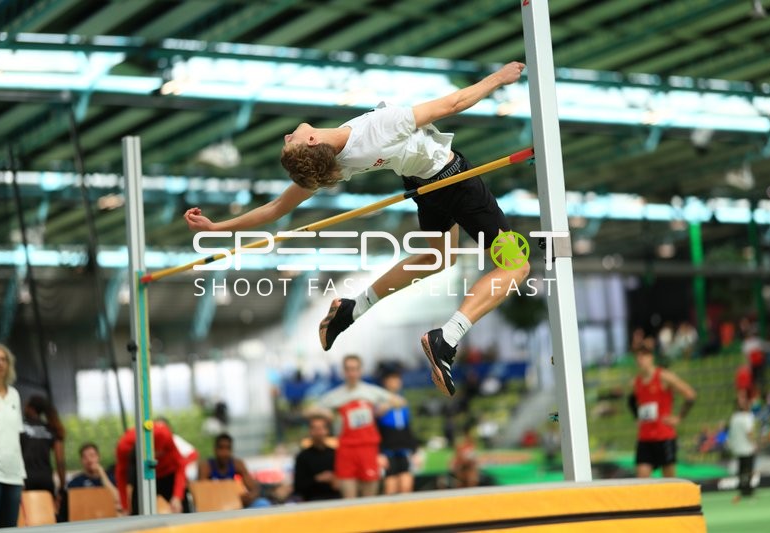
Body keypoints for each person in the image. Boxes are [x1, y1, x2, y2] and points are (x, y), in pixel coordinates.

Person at [184, 62, 529, 397]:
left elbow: (276, 208)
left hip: (424, 186)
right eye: (292, 140)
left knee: (440, 258)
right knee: (517, 266)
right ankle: (448, 337)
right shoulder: (380, 127)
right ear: (313, 140)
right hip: (454, 180)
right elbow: (452, 104)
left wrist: (218, 225)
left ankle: (353, 308)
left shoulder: (337, 161)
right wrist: (498, 78)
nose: (289, 134)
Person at [305, 355, 406, 498]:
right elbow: (308, 411)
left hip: (368, 448)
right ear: (344, 371)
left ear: (360, 371)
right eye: (348, 369)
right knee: (349, 500)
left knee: (369, 501)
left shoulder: (370, 391)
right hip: (346, 449)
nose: (351, 373)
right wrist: (326, 413)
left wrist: (383, 407)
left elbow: (400, 401)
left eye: (355, 369)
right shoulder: (335, 396)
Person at [631, 341, 697, 478]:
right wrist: (636, 417)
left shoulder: (664, 376)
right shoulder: (636, 382)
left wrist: (679, 417)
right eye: (637, 357)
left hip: (664, 436)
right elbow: (632, 401)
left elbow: (690, 394)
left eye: (643, 356)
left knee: (669, 482)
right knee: (641, 481)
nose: (639, 360)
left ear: (651, 357)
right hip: (645, 438)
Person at [115, 421, 186, 514]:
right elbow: (121, 475)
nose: (155, 457)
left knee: (183, 509)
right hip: (143, 477)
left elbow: (180, 465)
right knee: (137, 512)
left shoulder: (164, 434)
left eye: (157, 453)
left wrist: (177, 496)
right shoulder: (124, 447)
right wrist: (124, 506)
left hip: (168, 475)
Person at [0, 344, 26, 528]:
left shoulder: (14, 395)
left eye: (3, 359)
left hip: (13, 472)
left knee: (10, 527)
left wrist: (21, 474)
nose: (0, 363)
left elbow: (16, 437)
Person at [21, 395, 66, 515]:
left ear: (31, 408)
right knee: (46, 516)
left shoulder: (20, 427)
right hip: (46, 479)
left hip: (25, 478)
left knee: (26, 517)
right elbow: (60, 461)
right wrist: (62, 486)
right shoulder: (52, 429)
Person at [376, 371, 418, 495]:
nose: (395, 383)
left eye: (397, 379)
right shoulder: (379, 401)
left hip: (404, 449)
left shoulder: (403, 402)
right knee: (390, 488)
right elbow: (376, 424)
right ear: (385, 382)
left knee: (406, 487)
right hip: (388, 450)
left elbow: (407, 428)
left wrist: (415, 450)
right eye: (392, 379)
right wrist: (379, 453)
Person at [198, 433, 264, 508]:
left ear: (231, 450)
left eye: (228, 448)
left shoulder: (237, 464)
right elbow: (201, 494)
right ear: (215, 449)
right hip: (214, 507)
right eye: (221, 448)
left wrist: (251, 496)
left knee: (262, 503)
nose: (224, 453)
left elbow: (254, 488)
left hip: (233, 505)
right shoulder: (206, 466)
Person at [293, 415, 341, 502]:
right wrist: (318, 478)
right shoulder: (302, 456)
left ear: (327, 431)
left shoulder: (336, 454)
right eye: (315, 429)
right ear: (310, 431)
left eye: (321, 429)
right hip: (313, 500)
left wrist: (335, 480)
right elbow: (298, 486)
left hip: (336, 498)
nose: (318, 432)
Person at [67, 443, 120, 513]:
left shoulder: (110, 478)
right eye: (85, 457)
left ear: (98, 457)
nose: (89, 460)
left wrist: (102, 474)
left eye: (92, 456)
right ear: (81, 461)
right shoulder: (75, 483)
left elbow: (117, 499)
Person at [728, 397, 757, 503]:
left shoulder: (734, 417)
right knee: (749, 469)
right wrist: (754, 443)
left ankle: (741, 487)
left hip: (738, 448)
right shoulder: (748, 416)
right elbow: (749, 432)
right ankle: (747, 489)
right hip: (747, 447)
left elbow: (731, 434)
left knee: (741, 468)